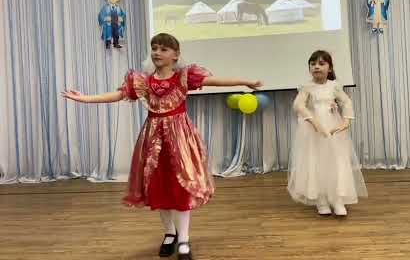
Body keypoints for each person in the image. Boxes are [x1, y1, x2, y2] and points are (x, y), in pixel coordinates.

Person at [62, 32, 262, 260]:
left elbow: (215, 81)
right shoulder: (144, 81)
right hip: (153, 140)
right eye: (154, 48)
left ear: (175, 55)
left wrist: (245, 81)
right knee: (159, 188)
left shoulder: (184, 77)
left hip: (180, 140)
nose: (157, 52)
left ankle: (184, 240)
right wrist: (86, 98)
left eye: (163, 49)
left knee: (181, 188)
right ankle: (169, 234)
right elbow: (118, 95)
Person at [287, 50, 367, 216]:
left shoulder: (334, 86)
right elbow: (298, 105)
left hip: (333, 129)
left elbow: (346, 102)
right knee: (315, 161)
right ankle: (321, 200)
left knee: (336, 161)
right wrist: (315, 123)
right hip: (313, 131)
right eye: (313, 64)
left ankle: (337, 199)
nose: (316, 67)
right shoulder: (307, 87)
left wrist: (346, 120)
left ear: (329, 68)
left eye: (321, 64)